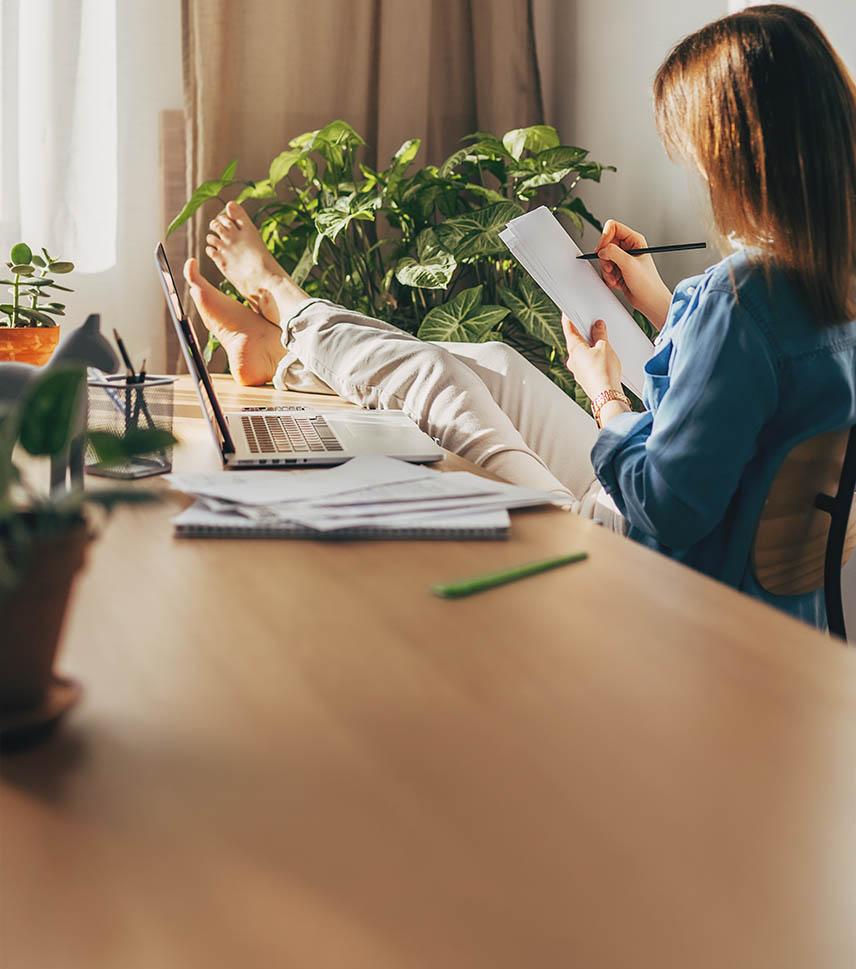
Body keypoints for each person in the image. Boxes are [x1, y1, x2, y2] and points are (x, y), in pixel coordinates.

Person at [184, 4, 856, 629]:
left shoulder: (737, 297)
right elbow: (737, 417)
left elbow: (667, 504)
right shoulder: (825, 278)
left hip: (655, 573)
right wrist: (653, 298)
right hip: (747, 582)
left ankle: (285, 301)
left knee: (434, 378)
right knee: (496, 362)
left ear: (741, 157)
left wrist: (605, 394)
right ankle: (283, 351)